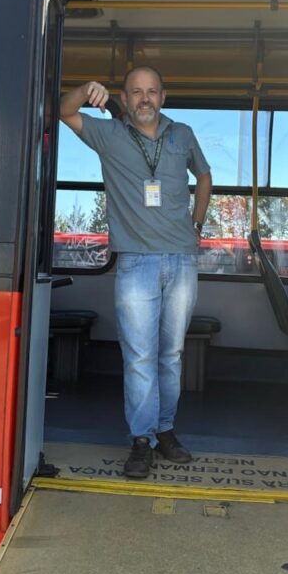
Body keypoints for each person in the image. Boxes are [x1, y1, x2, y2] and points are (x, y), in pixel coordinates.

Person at [59, 66, 212, 479]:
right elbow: (65, 111)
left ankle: (166, 431)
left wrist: (196, 227)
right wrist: (84, 88)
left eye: (152, 91)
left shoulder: (182, 134)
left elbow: (204, 176)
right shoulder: (109, 136)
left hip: (181, 261)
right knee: (140, 357)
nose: (144, 99)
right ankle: (141, 440)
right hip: (135, 264)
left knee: (172, 356)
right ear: (123, 100)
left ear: (163, 96)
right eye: (135, 92)